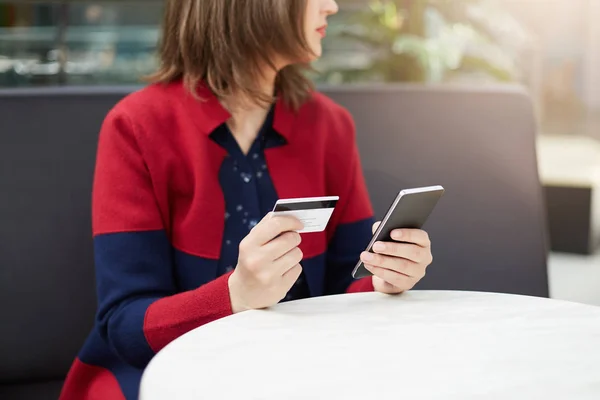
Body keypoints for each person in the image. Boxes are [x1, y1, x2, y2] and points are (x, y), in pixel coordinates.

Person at [59, 0, 434, 399]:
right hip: (161, 378)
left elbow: (346, 285)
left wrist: (383, 279)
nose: (332, 6)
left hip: (299, 373)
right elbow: (125, 326)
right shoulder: (136, 126)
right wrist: (235, 295)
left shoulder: (330, 125)